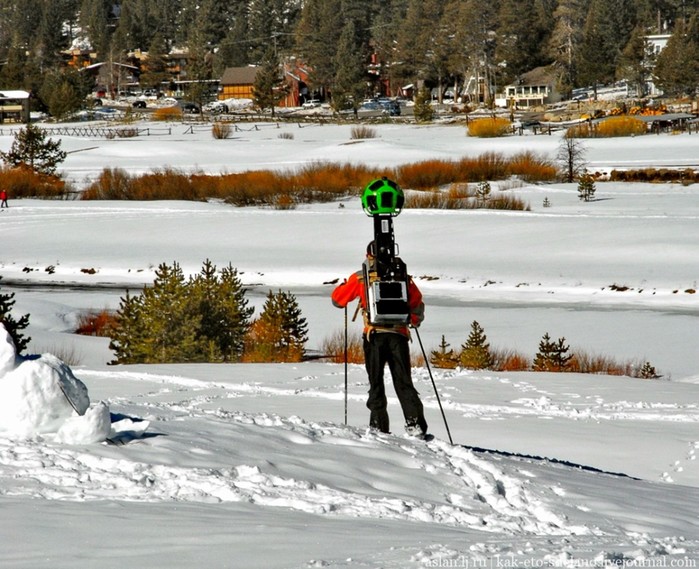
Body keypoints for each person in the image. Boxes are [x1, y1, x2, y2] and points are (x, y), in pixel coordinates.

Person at [331, 242, 428, 438]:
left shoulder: (362, 277)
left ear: (368, 255)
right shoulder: (403, 276)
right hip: (399, 336)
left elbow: (337, 300)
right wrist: (413, 321)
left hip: (374, 335)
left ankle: (378, 425)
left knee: (375, 382)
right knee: (403, 382)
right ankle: (415, 424)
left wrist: (342, 286)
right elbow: (417, 304)